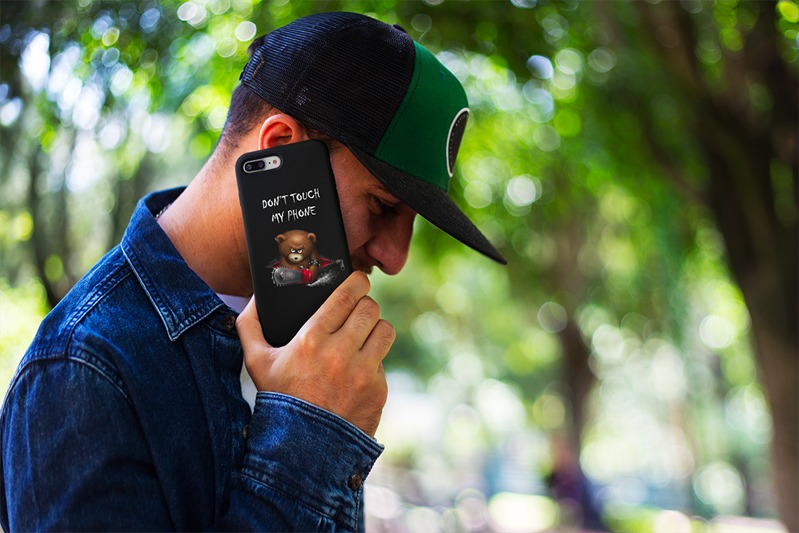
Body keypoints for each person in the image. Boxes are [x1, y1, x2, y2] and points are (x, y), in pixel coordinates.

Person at [0, 11, 506, 531]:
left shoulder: (310, 342)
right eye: (382, 205)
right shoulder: (83, 368)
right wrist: (310, 432)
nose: (395, 258)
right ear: (281, 148)